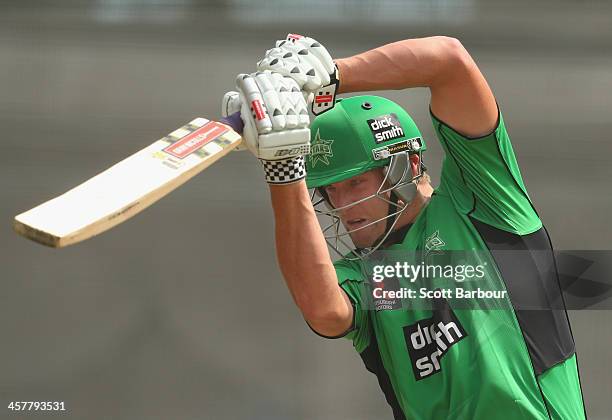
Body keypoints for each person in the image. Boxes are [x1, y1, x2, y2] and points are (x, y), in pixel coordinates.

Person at [223, 35, 586, 419]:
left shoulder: (486, 205)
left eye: (356, 183)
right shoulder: (363, 275)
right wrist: (284, 169)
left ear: (408, 166)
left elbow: (449, 62)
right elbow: (325, 311)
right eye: (330, 191)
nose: (343, 206)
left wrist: (331, 76)